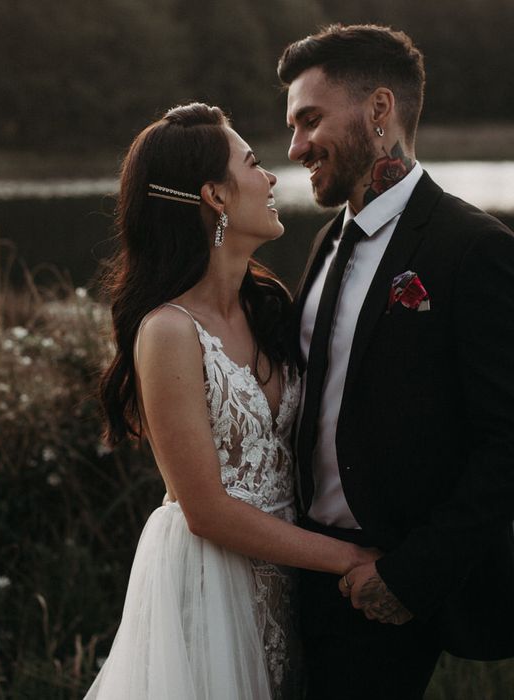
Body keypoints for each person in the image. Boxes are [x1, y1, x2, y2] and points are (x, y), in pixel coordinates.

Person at [84, 102, 378, 700]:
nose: (271, 178)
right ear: (215, 196)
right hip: (210, 584)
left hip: (288, 578)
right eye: (254, 163)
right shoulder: (168, 331)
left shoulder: (267, 307)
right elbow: (206, 511)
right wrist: (351, 558)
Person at [278, 23, 514, 699]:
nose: (295, 148)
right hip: (304, 567)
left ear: (379, 110)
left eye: (310, 120)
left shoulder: (474, 249)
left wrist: (409, 577)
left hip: (385, 584)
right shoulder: (328, 240)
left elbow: (508, 442)